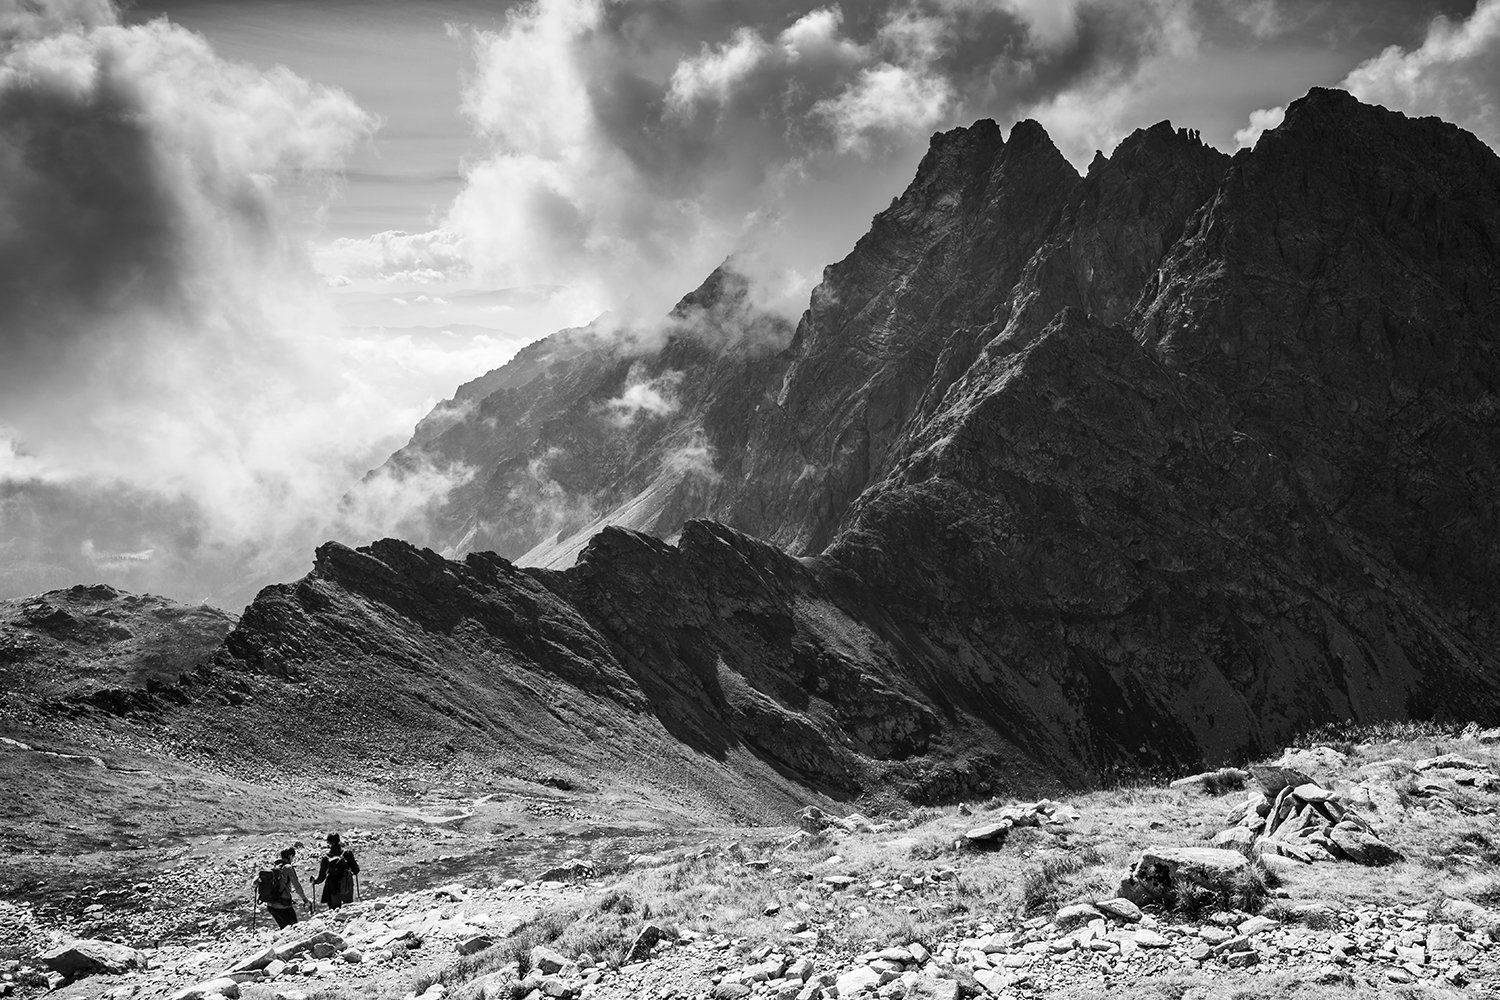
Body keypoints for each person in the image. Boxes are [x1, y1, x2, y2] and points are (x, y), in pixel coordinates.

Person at [265, 845, 311, 929]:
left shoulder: (274, 867)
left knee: (284, 929)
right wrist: (305, 899)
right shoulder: (288, 868)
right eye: (293, 857)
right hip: (282, 905)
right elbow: (297, 886)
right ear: (290, 856)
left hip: (270, 905)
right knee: (294, 928)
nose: (293, 859)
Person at [313, 832, 360, 909]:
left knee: (334, 910)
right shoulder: (347, 853)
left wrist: (315, 881)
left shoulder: (326, 857)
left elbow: (321, 877)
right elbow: (356, 870)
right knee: (348, 908)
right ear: (339, 840)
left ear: (328, 843)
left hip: (333, 887)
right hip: (347, 886)